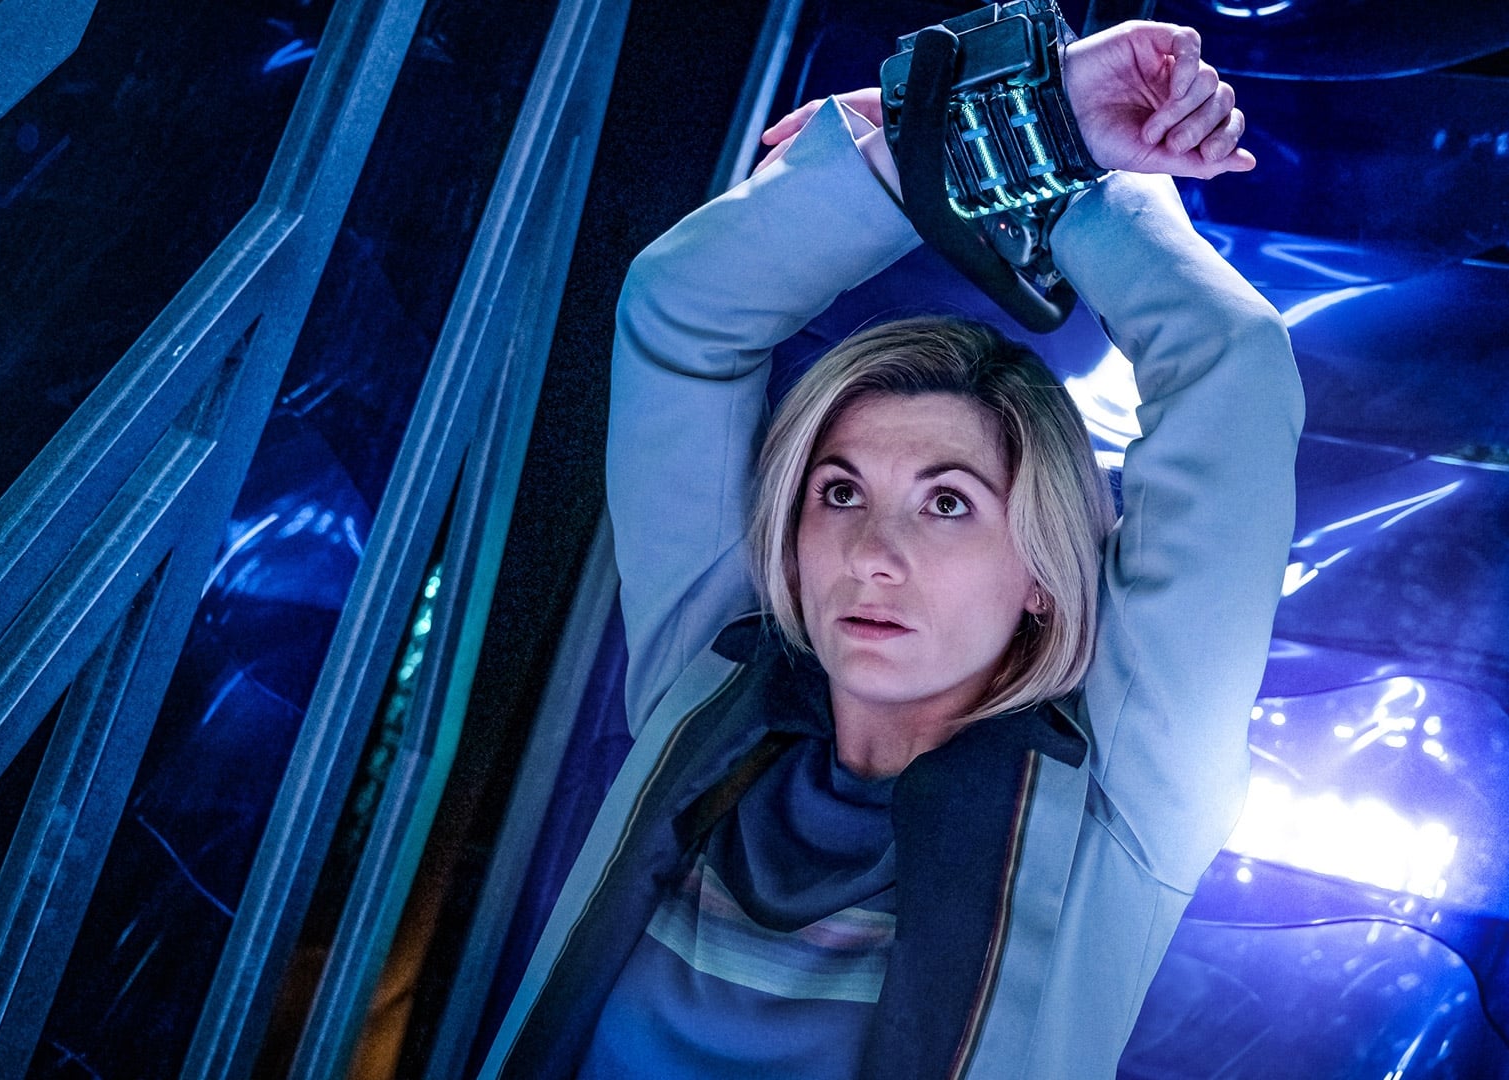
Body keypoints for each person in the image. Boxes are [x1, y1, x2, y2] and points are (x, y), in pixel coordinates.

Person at [477, 16, 1302, 1079]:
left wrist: (1053, 141)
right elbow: (680, 311)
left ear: (1042, 573)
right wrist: (936, 139)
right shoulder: (713, 688)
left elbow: (1234, 370)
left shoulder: (1120, 809)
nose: (871, 552)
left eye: (948, 503)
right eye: (840, 492)